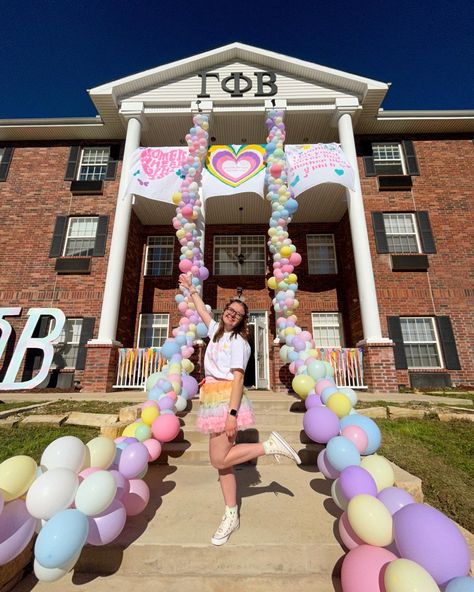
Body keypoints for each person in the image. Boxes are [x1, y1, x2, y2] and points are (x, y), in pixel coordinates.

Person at [178, 272, 301, 546]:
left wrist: (232, 415)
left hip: (225, 399)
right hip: (211, 397)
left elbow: (238, 379)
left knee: (219, 460)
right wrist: (191, 290)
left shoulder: (239, 344)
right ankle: (231, 513)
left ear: (244, 320)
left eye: (239, 314)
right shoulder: (215, 332)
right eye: (230, 310)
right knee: (223, 465)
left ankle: (269, 446)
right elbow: (201, 311)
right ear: (225, 313)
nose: (233, 315)